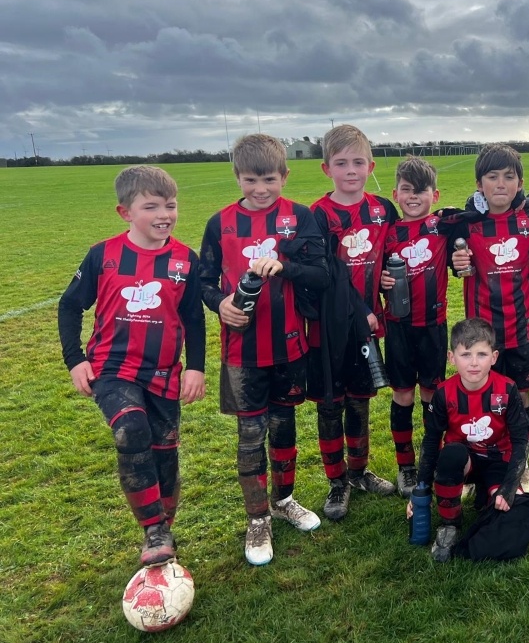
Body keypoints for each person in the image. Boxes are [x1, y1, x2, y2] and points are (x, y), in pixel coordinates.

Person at [58, 165, 206, 567]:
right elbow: (70, 305)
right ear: (125, 213)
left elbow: (193, 318)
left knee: (165, 450)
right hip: (111, 368)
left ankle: (164, 527)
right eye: (151, 206)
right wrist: (75, 360)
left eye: (170, 206)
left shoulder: (184, 260)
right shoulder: (103, 255)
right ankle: (153, 531)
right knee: (130, 429)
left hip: (163, 373)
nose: (164, 214)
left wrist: (195, 367)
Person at [200, 134, 329, 565]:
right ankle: (257, 519)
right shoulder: (220, 224)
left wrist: (286, 267)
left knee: (285, 426)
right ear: (237, 176)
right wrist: (218, 302)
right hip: (242, 352)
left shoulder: (301, 215)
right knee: (251, 433)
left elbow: (321, 272)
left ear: (285, 176)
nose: (260, 189)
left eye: (269, 179)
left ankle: (284, 499)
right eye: (251, 180)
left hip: (290, 346)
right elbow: (202, 278)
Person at [309, 124, 399, 522]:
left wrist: (389, 280)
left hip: (370, 324)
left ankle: (360, 471)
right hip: (329, 329)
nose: (350, 170)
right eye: (341, 163)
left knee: (360, 402)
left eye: (358, 162)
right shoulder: (316, 215)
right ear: (326, 168)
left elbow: (397, 253)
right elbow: (326, 273)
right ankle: (336, 481)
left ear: (370, 165)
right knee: (331, 406)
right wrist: (358, 305)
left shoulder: (382, 209)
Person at [450, 144, 529, 492]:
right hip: (482, 335)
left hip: (523, 329)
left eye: (508, 177)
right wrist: (455, 264)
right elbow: (446, 254)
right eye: (492, 177)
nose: (500, 184)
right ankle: (480, 463)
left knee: (520, 398)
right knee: (481, 396)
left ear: (520, 183)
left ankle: (520, 464)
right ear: (479, 184)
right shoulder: (465, 224)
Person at [406, 318, 529, 562]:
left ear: (494, 357)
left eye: (482, 354)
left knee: (517, 516)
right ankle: (450, 523)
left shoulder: (507, 390)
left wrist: (507, 488)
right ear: (451, 358)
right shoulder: (444, 393)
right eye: (466, 354)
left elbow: (521, 441)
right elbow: (432, 441)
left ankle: (488, 496)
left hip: (498, 461)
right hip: (466, 460)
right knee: (451, 454)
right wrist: (420, 490)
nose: (474, 363)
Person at [379, 156, 449, 498]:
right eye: (407, 190)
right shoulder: (388, 233)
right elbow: (371, 273)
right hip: (398, 327)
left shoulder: (444, 225)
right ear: (395, 193)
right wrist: (380, 280)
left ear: (434, 195)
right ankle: (405, 466)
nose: (413, 196)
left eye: (421, 190)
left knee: (431, 394)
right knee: (403, 394)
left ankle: (430, 461)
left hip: (433, 326)